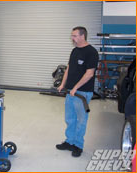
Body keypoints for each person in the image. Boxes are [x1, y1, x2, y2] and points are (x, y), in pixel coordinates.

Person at [56, 26, 99, 157]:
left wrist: (75, 88)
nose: (72, 38)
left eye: (74, 36)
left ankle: (78, 145)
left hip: (83, 93)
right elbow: (69, 69)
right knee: (70, 118)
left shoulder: (91, 52)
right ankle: (69, 141)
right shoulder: (74, 51)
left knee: (81, 120)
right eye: (72, 35)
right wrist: (63, 84)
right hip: (71, 91)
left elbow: (89, 74)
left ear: (82, 36)